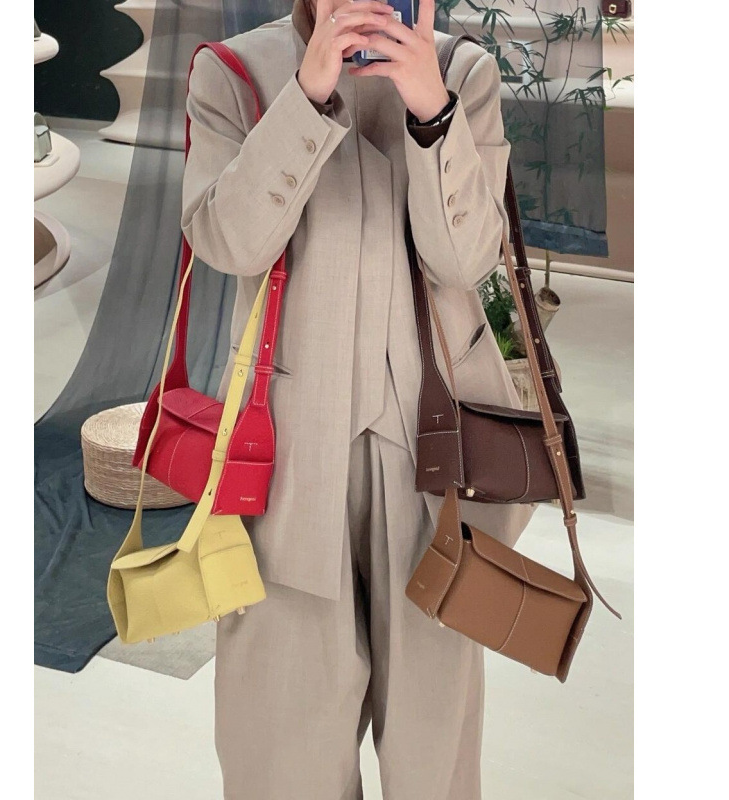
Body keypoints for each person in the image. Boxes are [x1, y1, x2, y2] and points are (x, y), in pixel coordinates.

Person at [181, 1, 535, 796]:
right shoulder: (233, 73)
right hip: (286, 459)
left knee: (432, 748)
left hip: (437, 453)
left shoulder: (464, 73)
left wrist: (432, 110)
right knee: (282, 746)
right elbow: (228, 242)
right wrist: (304, 100)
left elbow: (466, 261)